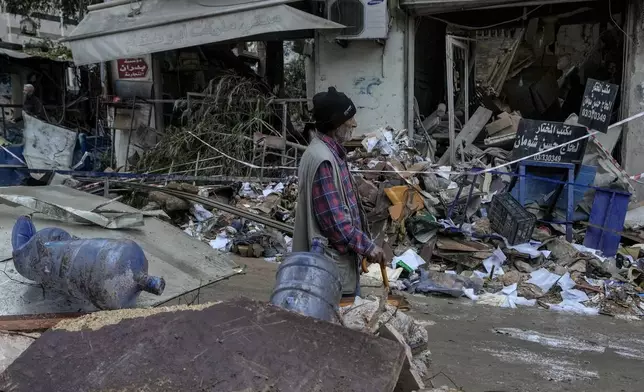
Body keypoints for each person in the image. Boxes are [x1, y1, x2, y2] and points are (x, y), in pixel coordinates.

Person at [293, 87, 385, 296]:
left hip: (334, 267)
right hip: (331, 271)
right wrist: (368, 247)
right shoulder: (323, 159)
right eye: (349, 120)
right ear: (335, 125)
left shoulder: (327, 153)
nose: (354, 124)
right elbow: (335, 223)